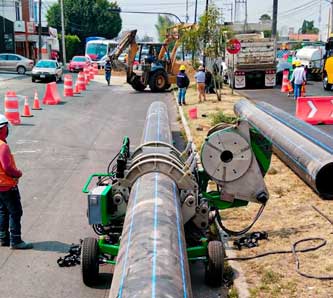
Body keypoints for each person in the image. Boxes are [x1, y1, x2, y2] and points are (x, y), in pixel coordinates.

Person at [0, 115, 32, 249]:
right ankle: (16, 240)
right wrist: (18, 173)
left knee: (2, 211)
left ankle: (3, 238)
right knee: (15, 212)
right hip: (7, 185)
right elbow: (7, 167)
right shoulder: (3, 147)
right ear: (3, 128)